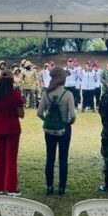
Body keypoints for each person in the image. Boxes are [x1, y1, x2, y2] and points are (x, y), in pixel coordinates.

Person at [0, 70, 25, 195]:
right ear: (12, 80)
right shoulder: (16, 94)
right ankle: (11, 188)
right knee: (11, 158)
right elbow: (21, 114)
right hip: (12, 128)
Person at [37, 67, 76, 195]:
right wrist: (69, 122)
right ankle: (62, 187)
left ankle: (49, 186)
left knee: (50, 158)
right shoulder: (68, 94)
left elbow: (39, 113)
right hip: (64, 128)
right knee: (63, 158)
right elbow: (73, 115)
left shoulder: (46, 94)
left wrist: (47, 120)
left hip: (49, 130)